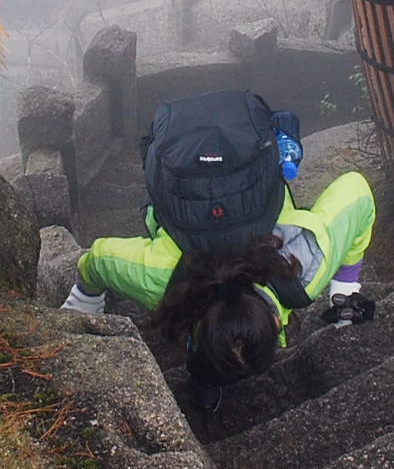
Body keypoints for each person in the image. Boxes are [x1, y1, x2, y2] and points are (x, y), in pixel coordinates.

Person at [61, 169, 377, 412]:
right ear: (276, 321)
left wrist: (343, 295)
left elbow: (358, 192)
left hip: (217, 180)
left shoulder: (305, 266)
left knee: (219, 351)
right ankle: (205, 373)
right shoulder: (159, 279)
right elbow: (99, 259)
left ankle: (206, 374)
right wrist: (344, 291)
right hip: (192, 183)